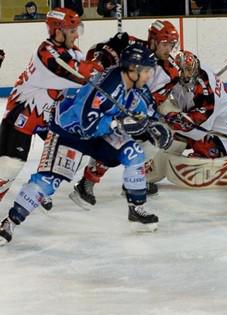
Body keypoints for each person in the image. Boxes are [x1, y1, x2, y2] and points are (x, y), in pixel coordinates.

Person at [0, 44, 174, 245]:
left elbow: (142, 108)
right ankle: (10, 222)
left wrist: (154, 126)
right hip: (69, 132)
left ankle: (137, 209)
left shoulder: (134, 86)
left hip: (100, 132)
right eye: (145, 71)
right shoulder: (107, 87)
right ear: (132, 69)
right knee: (48, 182)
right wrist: (119, 123)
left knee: (133, 152)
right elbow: (86, 124)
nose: (148, 76)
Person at [70, 20, 181, 208]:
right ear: (153, 41)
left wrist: (157, 119)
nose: (168, 49)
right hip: (112, 104)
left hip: (139, 107)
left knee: (156, 138)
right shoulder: (130, 46)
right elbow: (96, 54)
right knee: (114, 139)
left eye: (172, 44)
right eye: (165, 43)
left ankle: (134, 179)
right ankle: (86, 183)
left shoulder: (170, 72)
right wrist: (107, 52)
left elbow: (156, 100)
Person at [0, 8, 105, 208]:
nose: (76, 35)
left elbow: (88, 73)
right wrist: (105, 59)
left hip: (48, 116)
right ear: (58, 31)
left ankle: (39, 186)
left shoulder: (73, 51)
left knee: (72, 149)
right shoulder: (46, 53)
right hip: (23, 114)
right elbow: (83, 75)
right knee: (9, 168)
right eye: (72, 30)